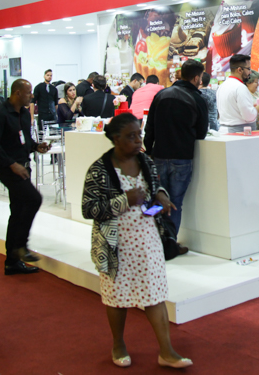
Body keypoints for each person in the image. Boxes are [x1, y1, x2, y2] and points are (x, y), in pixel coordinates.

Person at [82, 113, 192, 369]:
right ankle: (118, 344)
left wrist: (161, 196)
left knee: (155, 295)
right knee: (116, 297)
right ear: (115, 139)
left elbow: (154, 188)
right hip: (115, 245)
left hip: (147, 241)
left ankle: (166, 351)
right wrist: (125, 200)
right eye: (131, 136)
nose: (137, 141)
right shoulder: (99, 169)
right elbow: (88, 209)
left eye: (139, 135)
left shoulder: (146, 161)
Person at [0, 79, 51, 274]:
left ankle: (12, 262)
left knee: (18, 211)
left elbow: (24, 140)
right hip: (9, 169)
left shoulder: (23, 113)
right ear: (17, 93)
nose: (32, 95)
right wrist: (12, 164)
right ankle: (21, 246)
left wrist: (36, 146)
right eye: (28, 92)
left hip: (23, 167)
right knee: (34, 199)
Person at [144, 58, 207, 238]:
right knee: (175, 203)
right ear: (196, 78)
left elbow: (150, 127)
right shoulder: (197, 98)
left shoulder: (162, 95)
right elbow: (201, 133)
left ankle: (154, 240)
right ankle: (170, 242)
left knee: (157, 199)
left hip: (159, 156)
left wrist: (149, 150)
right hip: (182, 157)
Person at [217, 54, 259, 133]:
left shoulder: (222, 86)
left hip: (224, 130)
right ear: (240, 70)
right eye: (248, 69)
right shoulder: (240, 87)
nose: (250, 72)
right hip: (239, 132)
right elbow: (249, 116)